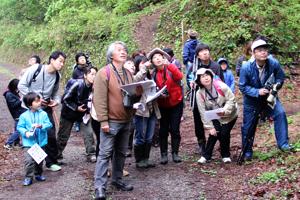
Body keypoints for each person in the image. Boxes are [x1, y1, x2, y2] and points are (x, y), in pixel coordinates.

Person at [93, 41, 143, 200]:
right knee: (105, 154)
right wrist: (103, 121)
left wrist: (140, 92)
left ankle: (117, 179)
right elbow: (99, 99)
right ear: (111, 55)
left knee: (121, 152)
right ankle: (99, 187)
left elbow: (131, 95)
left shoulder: (128, 73)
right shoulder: (104, 73)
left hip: (126, 119)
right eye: (119, 50)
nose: (123, 52)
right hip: (111, 121)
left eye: (124, 50)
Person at [239, 39, 293, 161]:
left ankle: (283, 145)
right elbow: (242, 86)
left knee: (280, 113)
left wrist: (275, 87)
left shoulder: (273, 63)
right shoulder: (246, 67)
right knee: (248, 126)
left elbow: (280, 77)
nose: (263, 52)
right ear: (253, 53)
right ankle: (247, 152)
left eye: (265, 50)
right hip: (251, 101)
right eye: (260, 50)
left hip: (270, 98)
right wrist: (257, 91)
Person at [18, 50, 66, 172]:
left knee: (50, 135)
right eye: (60, 61)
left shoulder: (57, 76)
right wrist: (35, 99)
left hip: (45, 109)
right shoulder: (36, 69)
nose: (62, 64)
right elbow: (21, 85)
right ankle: (34, 164)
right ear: (52, 60)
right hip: (30, 108)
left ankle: (51, 162)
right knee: (33, 136)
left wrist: (56, 101)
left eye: (63, 62)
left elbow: (55, 94)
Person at [148, 48, 184, 164]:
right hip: (162, 105)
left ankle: (175, 153)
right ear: (152, 61)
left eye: (160, 56)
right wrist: (159, 95)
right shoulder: (153, 74)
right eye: (154, 57)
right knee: (163, 130)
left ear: (164, 58)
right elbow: (151, 90)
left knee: (175, 129)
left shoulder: (170, 68)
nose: (157, 58)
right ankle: (163, 154)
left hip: (176, 103)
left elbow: (179, 77)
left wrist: (170, 66)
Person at [194, 68, 238, 164]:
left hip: (230, 114)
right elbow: (202, 111)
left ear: (211, 76)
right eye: (202, 77)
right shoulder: (199, 93)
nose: (206, 78)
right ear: (199, 80)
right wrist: (209, 127)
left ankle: (225, 155)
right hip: (214, 114)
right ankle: (207, 156)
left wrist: (225, 111)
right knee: (214, 133)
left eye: (207, 75)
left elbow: (231, 99)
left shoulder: (221, 86)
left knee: (224, 133)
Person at [56, 66, 97, 163]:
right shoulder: (77, 84)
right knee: (63, 135)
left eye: (96, 74)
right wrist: (76, 107)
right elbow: (64, 99)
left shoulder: (94, 87)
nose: (94, 77)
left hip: (83, 114)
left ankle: (91, 154)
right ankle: (57, 156)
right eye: (92, 74)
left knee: (89, 133)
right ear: (85, 75)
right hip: (69, 113)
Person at [189, 43, 224, 155]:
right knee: (198, 122)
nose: (205, 53)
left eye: (206, 50)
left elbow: (221, 83)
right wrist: (191, 83)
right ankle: (201, 144)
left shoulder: (216, 66)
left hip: (213, 99)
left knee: (215, 121)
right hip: (198, 99)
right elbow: (189, 79)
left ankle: (217, 144)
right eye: (201, 51)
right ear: (198, 55)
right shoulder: (194, 67)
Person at [17, 92, 52, 186]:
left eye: (39, 100)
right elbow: (20, 127)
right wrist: (25, 132)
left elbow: (49, 124)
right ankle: (28, 177)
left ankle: (38, 174)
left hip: (41, 142)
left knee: (39, 160)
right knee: (29, 161)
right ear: (29, 104)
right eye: (36, 101)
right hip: (29, 142)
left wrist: (42, 126)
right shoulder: (24, 116)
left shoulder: (43, 114)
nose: (39, 103)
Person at [3, 79, 27, 149]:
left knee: (17, 128)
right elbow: (13, 105)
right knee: (19, 130)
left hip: (19, 113)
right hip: (17, 114)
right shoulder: (9, 94)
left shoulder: (13, 92)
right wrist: (21, 100)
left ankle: (17, 143)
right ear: (14, 86)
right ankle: (8, 144)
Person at [72, 52, 89, 132]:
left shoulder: (89, 68)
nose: (82, 59)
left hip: (88, 90)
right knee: (79, 106)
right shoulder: (76, 71)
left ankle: (85, 120)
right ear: (77, 61)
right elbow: (74, 81)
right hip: (79, 91)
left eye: (83, 58)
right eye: (80, 58)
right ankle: (77, 123)